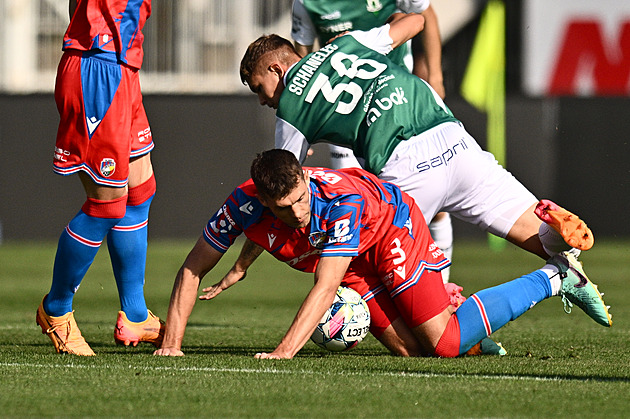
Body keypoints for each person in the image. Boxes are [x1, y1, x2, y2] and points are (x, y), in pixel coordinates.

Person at [154, 150, 611, 358]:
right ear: (263, 201)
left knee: (445, 343)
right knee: (413, 352)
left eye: (300, 199)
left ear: (304, 178)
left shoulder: (338, 203)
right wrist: (171, 347)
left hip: (390, 226)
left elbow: (326, 285)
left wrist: (283, 353)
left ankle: (556, 276)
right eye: (284, 208)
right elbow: (193, 267)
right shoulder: (243, 205)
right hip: (352, 258)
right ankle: (456, 312)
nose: (297, 213)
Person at [238, 12, 595, 273]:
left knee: (374, 273)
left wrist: (244, 261)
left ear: (276, 69)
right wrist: (395, 15)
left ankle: (449, 314)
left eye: (258, 88)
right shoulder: (349, 42)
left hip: (405, 166)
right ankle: (557, 229)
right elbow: (416, 22)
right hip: (452, 138)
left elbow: (281, 190)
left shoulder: (290, 109)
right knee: (539, 236)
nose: (262, 100)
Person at [290, 0, 455, 282]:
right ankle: (361, 294)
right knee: (350, 208)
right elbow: (302, 54)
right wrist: (305, 113)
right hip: (343, 113)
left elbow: (425, 14)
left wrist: (435, 77)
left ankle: (441, 287)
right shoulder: (306, 3)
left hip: (395, 105)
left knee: (429, 206)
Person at [36, 0, 164, 356]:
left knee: (140, 192)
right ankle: (56, 310)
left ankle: (136, 314)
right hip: (97, 65)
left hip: (124, 66)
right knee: (106, 205)